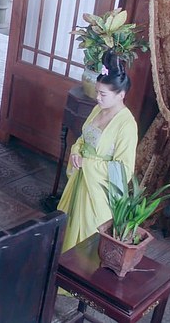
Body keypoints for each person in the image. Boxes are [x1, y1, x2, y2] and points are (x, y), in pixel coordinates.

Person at [57, 51, 138, 252]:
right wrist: (76, 152)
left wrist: (88, 164)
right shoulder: (98, 109)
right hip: (80, 178)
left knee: (87, 236)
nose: (98, 98)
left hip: (97, 189)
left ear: (121, 95)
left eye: (103, 94)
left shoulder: (127, 125)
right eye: (97, 92)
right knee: (67, 225)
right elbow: (83, 139)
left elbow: (123, 169)